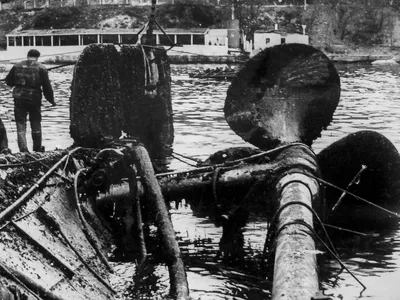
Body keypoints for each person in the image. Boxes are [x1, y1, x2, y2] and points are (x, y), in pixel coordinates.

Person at [5, 49, 56, 152]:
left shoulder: (16, 66)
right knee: (36, 122)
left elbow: (9, 82)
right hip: (34, 99)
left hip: (19, 98)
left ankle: (23, 150)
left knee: (20, 124)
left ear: (27, 56)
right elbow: (47, 87)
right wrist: (51, 100)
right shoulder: (41, 68)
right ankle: (37, 149)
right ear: (37, 57)